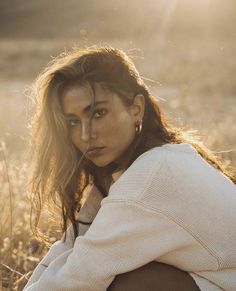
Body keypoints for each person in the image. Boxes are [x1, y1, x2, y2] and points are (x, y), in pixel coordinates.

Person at [23, 46, 236, 291]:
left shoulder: (149, 177)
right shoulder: (142, 166)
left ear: (136, 108)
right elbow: (69, 247)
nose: (85, 134)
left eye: (98, 113)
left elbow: (80, 275)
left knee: (127, 282)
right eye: (73, 122)